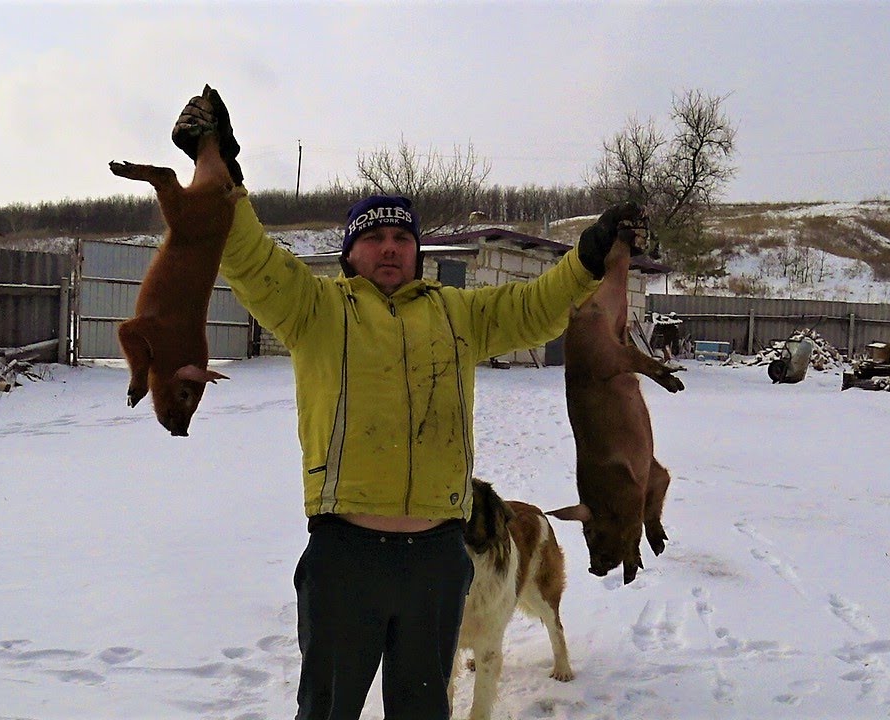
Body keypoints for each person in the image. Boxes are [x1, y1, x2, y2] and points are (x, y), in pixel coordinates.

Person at [172, 90, 646, 720]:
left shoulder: (458, 314)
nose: (390, 247)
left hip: (438, 559)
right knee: (328, 709)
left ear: (418, 251)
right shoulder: (315, 308)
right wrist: (223, 177)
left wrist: (586, 260)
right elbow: (251, 258)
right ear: (349, 252)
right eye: (374, 238)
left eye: (402, 237)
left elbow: (534, 307)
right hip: (344, 555)